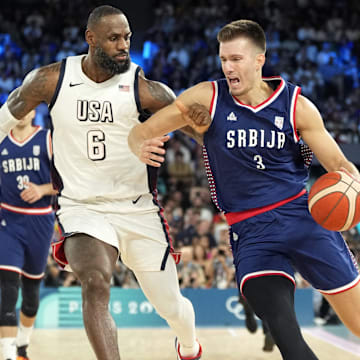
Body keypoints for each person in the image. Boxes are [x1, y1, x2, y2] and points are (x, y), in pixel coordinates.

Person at [128, 19, 360, 359]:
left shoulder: (296, 105)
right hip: (251, 232)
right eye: (224, 59)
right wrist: (138, 144)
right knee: (286, 333)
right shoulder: (208, 97)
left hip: (303, 219)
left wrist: (353, 195)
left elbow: (342, 168)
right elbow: (144, 130)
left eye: (236, 59)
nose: (228, 67)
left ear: (259, 60)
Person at [0, 5, 202, 360]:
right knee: (95, 283)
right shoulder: (50, 79)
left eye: (126, 37)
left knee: (171, 307)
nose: (123, 45)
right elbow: (4, 118)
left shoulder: (146, 90)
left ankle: (188, 344)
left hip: (137, 208)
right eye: (114, 38)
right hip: (82, 208)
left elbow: (206, 137)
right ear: (90, 39)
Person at [0, 110, 57, 360]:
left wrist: (43, 189)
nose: (22, 112)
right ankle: (8, 354)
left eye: (27, 107)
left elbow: (70, 178)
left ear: (34, 111)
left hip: (40, 220)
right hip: (8, 220)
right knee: (7, 289)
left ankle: (22, 345)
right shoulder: (1, 139)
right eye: (18, 107)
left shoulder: (48, 138)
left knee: (31, 295)